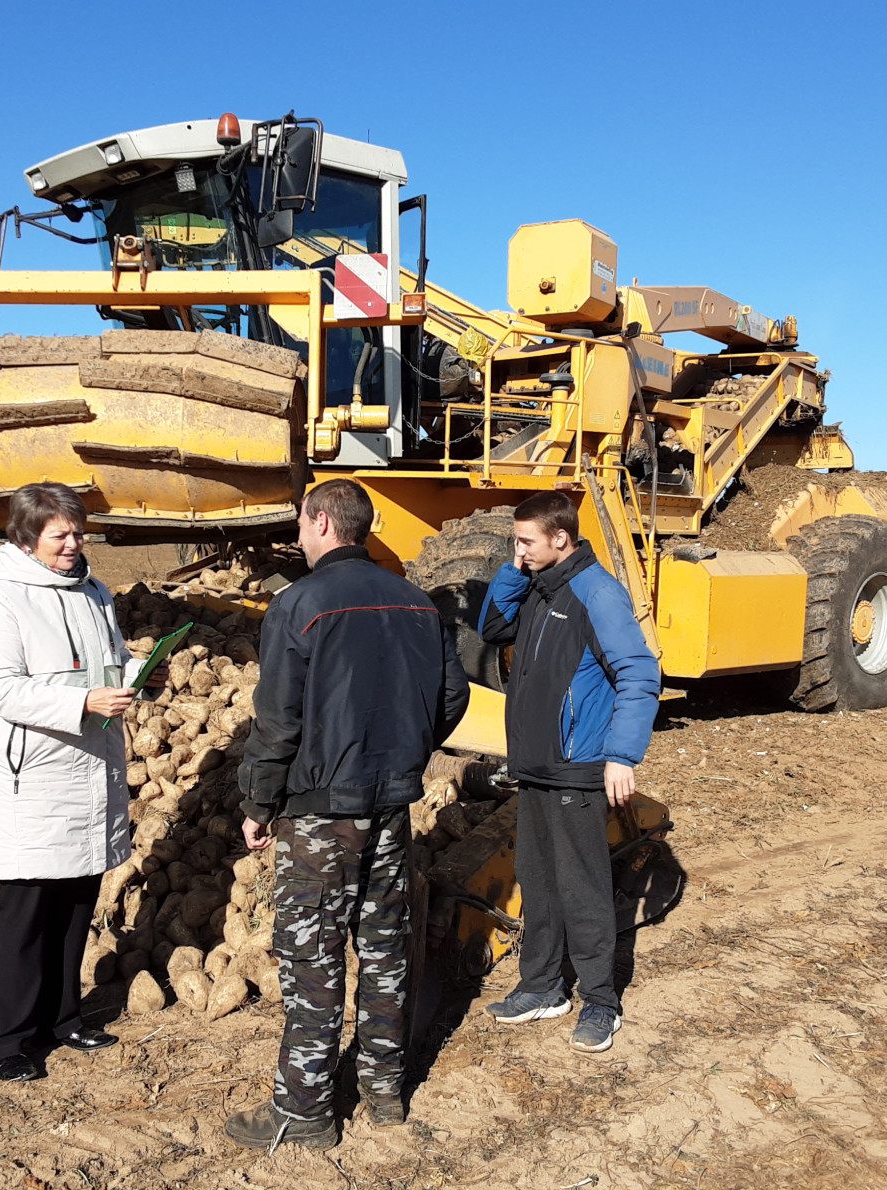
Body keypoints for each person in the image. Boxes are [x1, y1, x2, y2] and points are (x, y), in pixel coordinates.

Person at [224, 479, 470, 1151]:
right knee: (386, 949)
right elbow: (452, 697)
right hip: (390, 806)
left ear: (324, 522)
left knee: (313, 958)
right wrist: (407, 751)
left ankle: (305, 1112)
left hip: (320, 813)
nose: (298, 538)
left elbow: (277, 721)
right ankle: (384, 1091)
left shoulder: (298, 605)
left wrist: (257, 801)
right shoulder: (419, 604)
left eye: (302, 525)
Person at [0, 482, 163, 1082]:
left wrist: (137, 674)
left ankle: (63, 1017)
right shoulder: (0, 602)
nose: (76, 543)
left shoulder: (92, 591)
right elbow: (1, 688)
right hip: (34, 775)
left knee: (77, 900)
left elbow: (107, 660)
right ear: (26, 539)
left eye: (78, 532)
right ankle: (9, 1041)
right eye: (61, 536)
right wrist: (82, 701)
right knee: (27, 912)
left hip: (87, 766)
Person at [478, 491, 660, 1053]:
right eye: (516, 541)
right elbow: (491, 628)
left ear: (562, 538)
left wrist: (622, 756)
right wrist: (515, 567)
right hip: (534, 766)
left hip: (577, 767)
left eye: (527, 540)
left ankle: (601, 1002)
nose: (520, 550)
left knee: (581, 888)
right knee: (537, 879)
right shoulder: (538, 584)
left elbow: (639, 673)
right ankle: (542, 987)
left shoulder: (596, 593)